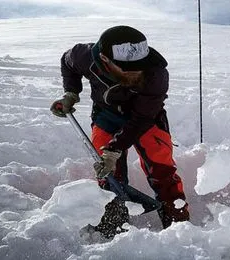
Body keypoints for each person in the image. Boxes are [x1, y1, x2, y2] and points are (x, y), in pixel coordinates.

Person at [50, 25, 189, 236]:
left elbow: (141, 118)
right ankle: (113, 225)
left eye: (140, 67)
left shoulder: (156, 74)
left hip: (146, 119)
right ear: (106, 60)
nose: (137, 73)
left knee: (163, 171)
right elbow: (67, 62)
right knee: (108, 174)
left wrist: (114, 149)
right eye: (129, 69)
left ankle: (179, 227)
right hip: (106, 116)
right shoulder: (85, 56)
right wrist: (71, 93)